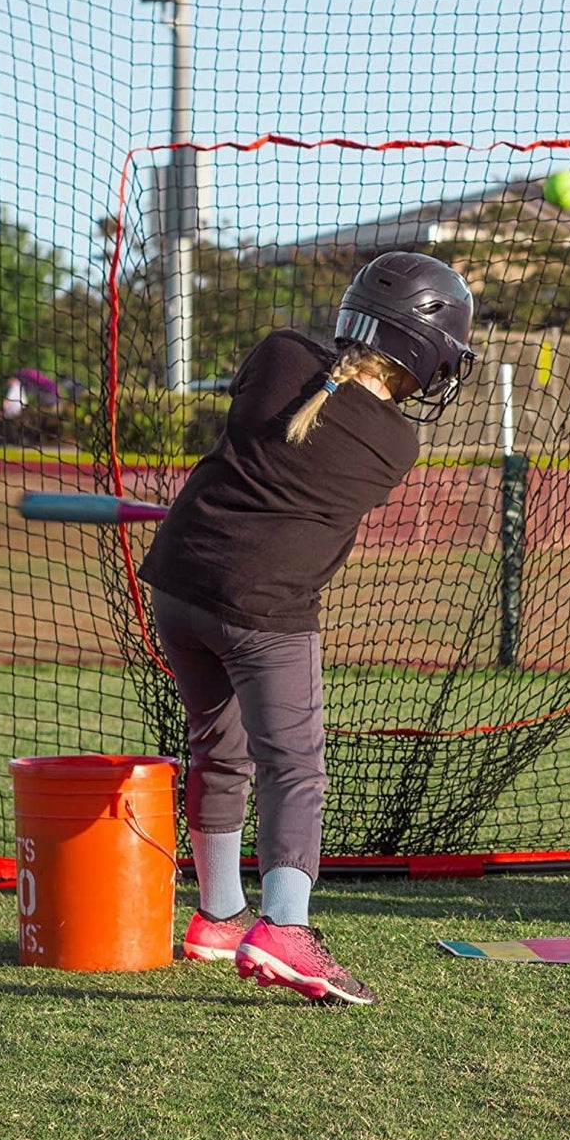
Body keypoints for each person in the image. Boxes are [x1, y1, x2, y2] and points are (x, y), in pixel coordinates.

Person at [137, 251, 476, 1007]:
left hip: (180, 586)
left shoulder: (280, 352)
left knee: (217, 746)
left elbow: (268, 429)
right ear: (421, 351)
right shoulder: (396, 444)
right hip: (263, 610)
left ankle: (219, 916)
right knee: (294, 766)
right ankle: (284, 927)